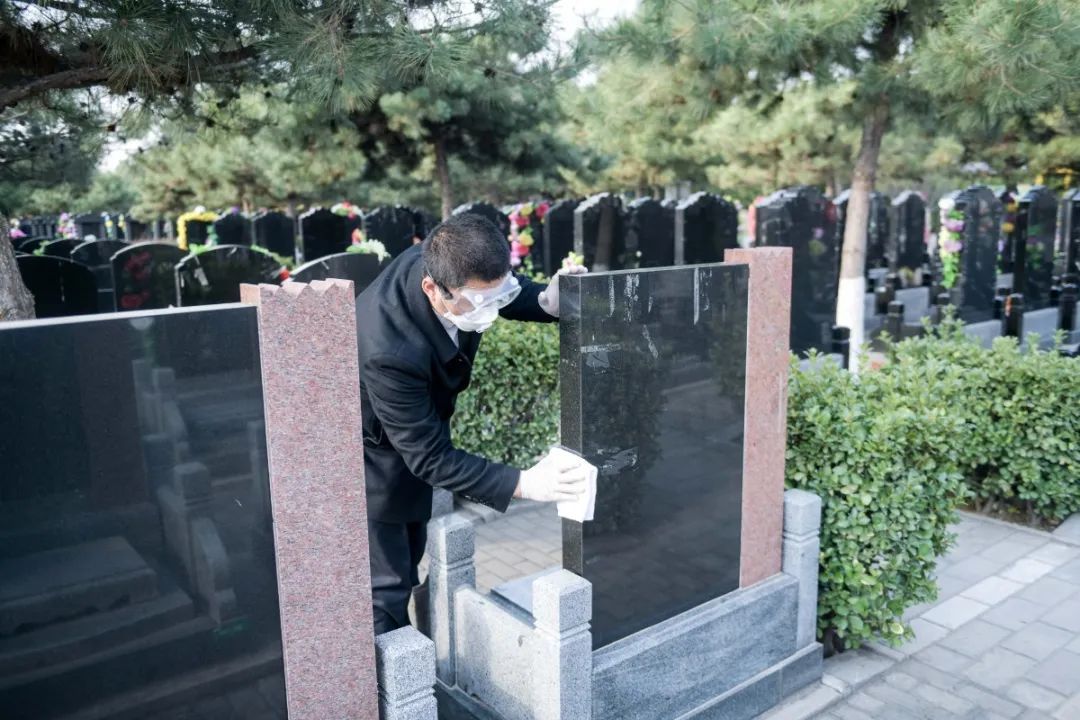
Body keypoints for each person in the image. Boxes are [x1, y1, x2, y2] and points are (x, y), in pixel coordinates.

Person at [356, 213, 588, 635]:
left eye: (497, 297)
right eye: (478, 304)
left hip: (419, 429)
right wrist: (523, 483)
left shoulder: (454, 259)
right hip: (377, 460)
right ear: (432, 288)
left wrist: (544, 301)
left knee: (413, 550)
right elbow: (429, 458)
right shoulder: (388, 349)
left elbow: (496, 290)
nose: (490, 313)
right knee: (386, 586)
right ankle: (384, 665)